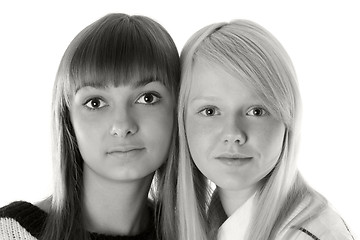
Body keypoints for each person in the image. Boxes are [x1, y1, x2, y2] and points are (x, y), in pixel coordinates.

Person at [0, 13, 180, 240]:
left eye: (147, 98)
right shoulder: (9, 233)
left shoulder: (199, 234)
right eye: (95, 103)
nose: (122, 125)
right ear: (68, 119)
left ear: (178, 109)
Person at [172, 20, 355, 239]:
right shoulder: (219, 223)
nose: (233, 134)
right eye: (210, 111)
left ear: (288, 119)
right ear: (181, 120)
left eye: (256, 111)